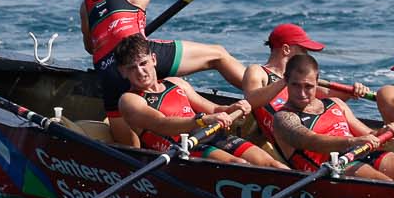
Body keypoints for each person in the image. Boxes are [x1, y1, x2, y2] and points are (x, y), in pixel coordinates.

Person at [80, 0, 253, 101]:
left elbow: (90, 48)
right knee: (218, 55)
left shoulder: (86, 6)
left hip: (107, 72)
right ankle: (259, 95)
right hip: (138, 59)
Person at [263, 49, 394, 183]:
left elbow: (368, 134)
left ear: (317, 81)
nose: (301, 93)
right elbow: (311, 141)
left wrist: (384, 132)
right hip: (332, 168)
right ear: (286, 81)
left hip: (359, 153)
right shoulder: (284, 117)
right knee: (391, 185)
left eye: (308, 86)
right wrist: (353, 142)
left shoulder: (335, 103)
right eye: (295, 85)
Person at [109, 38, 282, 166]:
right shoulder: (130, 100)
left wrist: (233, 107)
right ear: (122, 72)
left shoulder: (176, 83)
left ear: (153, 59)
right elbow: (162, 124)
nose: (140, 72)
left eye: (143, 63)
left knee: (272, 164)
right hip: (181, 149)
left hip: (210, 135)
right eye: (132, 68)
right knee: (238, 164)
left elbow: (214, 109)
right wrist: (202, 120)